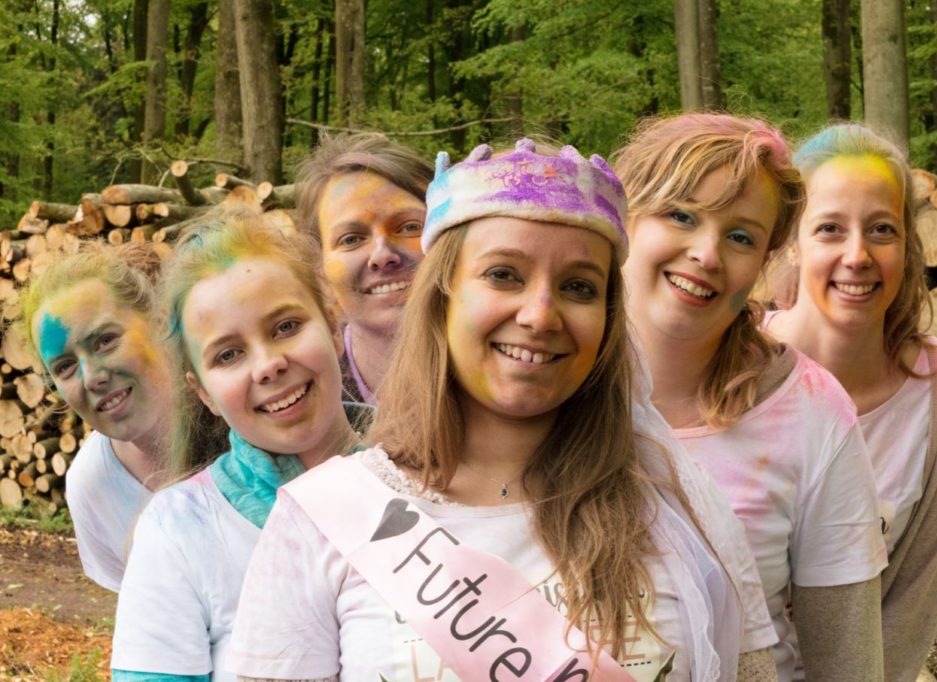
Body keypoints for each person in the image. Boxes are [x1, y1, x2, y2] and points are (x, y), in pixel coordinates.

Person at [227, 139, 778, 681]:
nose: (540, 314)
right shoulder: (327, 520)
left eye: (579, 287)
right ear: (441, 296)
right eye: (503, 275)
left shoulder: (678, 502)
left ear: (608, 321)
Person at [613, 113, 889, 681]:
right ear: (624, 221)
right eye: (681, 215)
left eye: (741, 236)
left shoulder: (810, 412)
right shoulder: (536, 382)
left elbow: (848, 655)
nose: (707, 254)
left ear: (764, 262)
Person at [765, 123, 937, 682]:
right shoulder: (733, 367)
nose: (857, 255)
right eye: (830, 229)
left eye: (881, 229)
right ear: (792, 239)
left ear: (907, 245)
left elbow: (916, 591)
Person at [110, 214, 361, 681]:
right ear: (203, 392)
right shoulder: (178, 533)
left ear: (331, 327)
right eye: (228, 355)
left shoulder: (432, 478)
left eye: (285, 326)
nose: (268, 365)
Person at [21, 242, 172, 592]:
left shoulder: (243, 425)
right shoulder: (92, 485)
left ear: (160, 323)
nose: (92, 377)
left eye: (105, 341)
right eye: (65, 366)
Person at [295, 133, 433, 404]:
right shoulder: (301, 398)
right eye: (351, 239)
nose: (382, 255)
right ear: (319, 269)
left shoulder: (503, 373)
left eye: (409, 227)